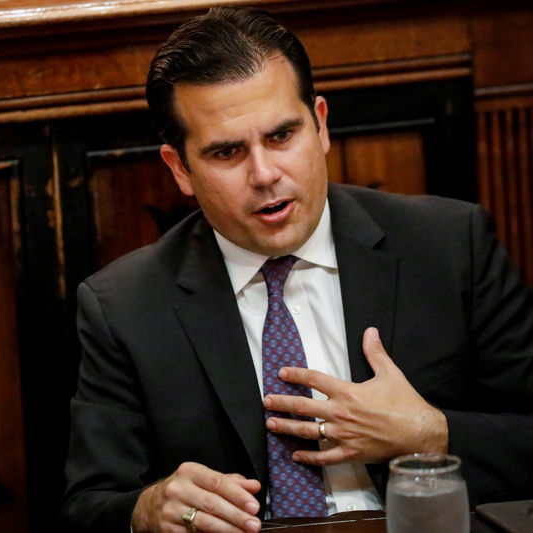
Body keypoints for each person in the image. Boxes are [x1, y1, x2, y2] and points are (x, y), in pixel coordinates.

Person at [60, 6, 533, 533]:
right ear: (180, 168)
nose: (264, 174)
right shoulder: (123, 307)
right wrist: (148, 508)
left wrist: (432, 434)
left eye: (282, 136)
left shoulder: (451, 246)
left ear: (321, 125)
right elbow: (88, 507)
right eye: (226, 152)